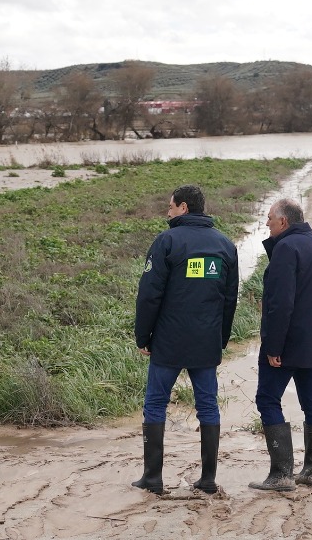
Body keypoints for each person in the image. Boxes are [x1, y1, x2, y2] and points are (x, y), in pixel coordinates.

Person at [132, 183, 240, 495]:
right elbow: (229, 300)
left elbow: (149, 295)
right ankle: (208, 480)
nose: (167, 212)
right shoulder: (225, 245)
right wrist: (220, 339)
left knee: (155, 403)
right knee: (208, 405)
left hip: (168, 342)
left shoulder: (167, 240)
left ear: (183, 208)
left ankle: (152, 478)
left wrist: (144, 336)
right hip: (206, 342)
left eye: (170, 207)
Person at [250, 197, 312, 491]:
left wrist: (274, 347)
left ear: (284, 221)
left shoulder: (286, 248)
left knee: (267, 399)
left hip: (286, 343)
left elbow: (279, 304)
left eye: (270, 219)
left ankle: (281, 475)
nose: (267, 223)